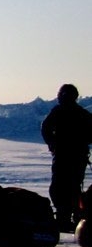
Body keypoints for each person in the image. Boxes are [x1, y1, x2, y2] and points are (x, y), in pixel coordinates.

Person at [40, 83, 92, 229]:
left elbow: (45, 128)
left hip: (66, 155)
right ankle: (70, 216)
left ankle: (67, 216)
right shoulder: (81, 113)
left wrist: (53, 144)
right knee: (71, 186)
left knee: (61, 186)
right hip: (74, 155)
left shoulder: (59, 112)